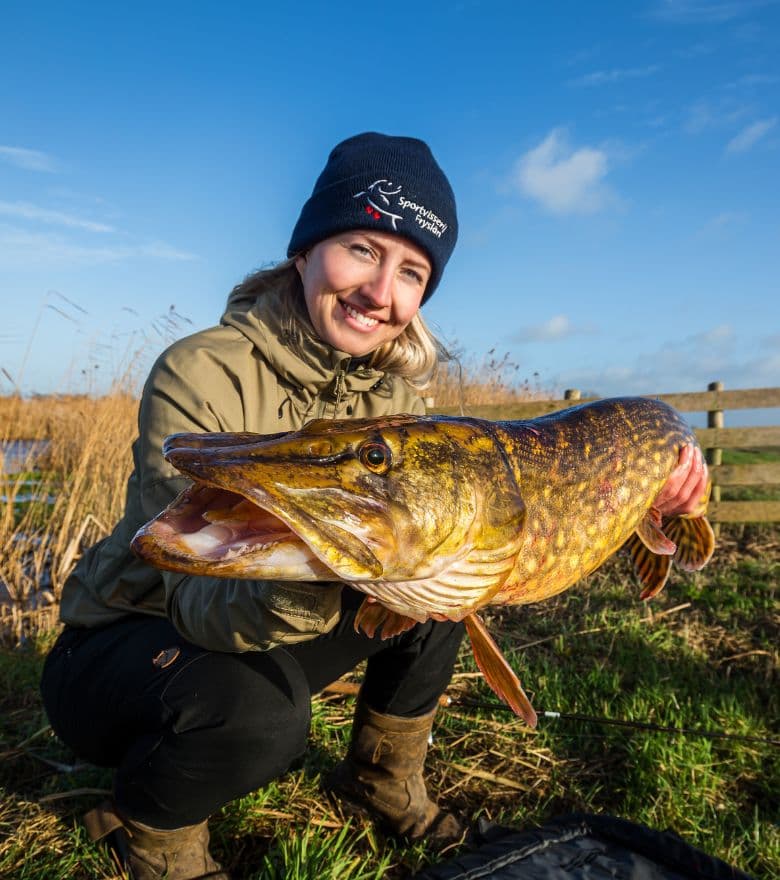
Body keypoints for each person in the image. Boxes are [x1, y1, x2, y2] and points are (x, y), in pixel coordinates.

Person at [40, 132, 708, 880]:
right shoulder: (201, 370)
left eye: (412, 271)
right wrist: (342, 562)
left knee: (438, 596)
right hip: (127, 645)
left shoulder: (395, 401)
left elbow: (474, 545)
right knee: (260, 716)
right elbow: (194, 595)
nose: (379, 291)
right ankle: (155, 838)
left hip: (254, 615)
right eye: (361, 248)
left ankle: (381, 786)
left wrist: (654, 498)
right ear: (304, 250)